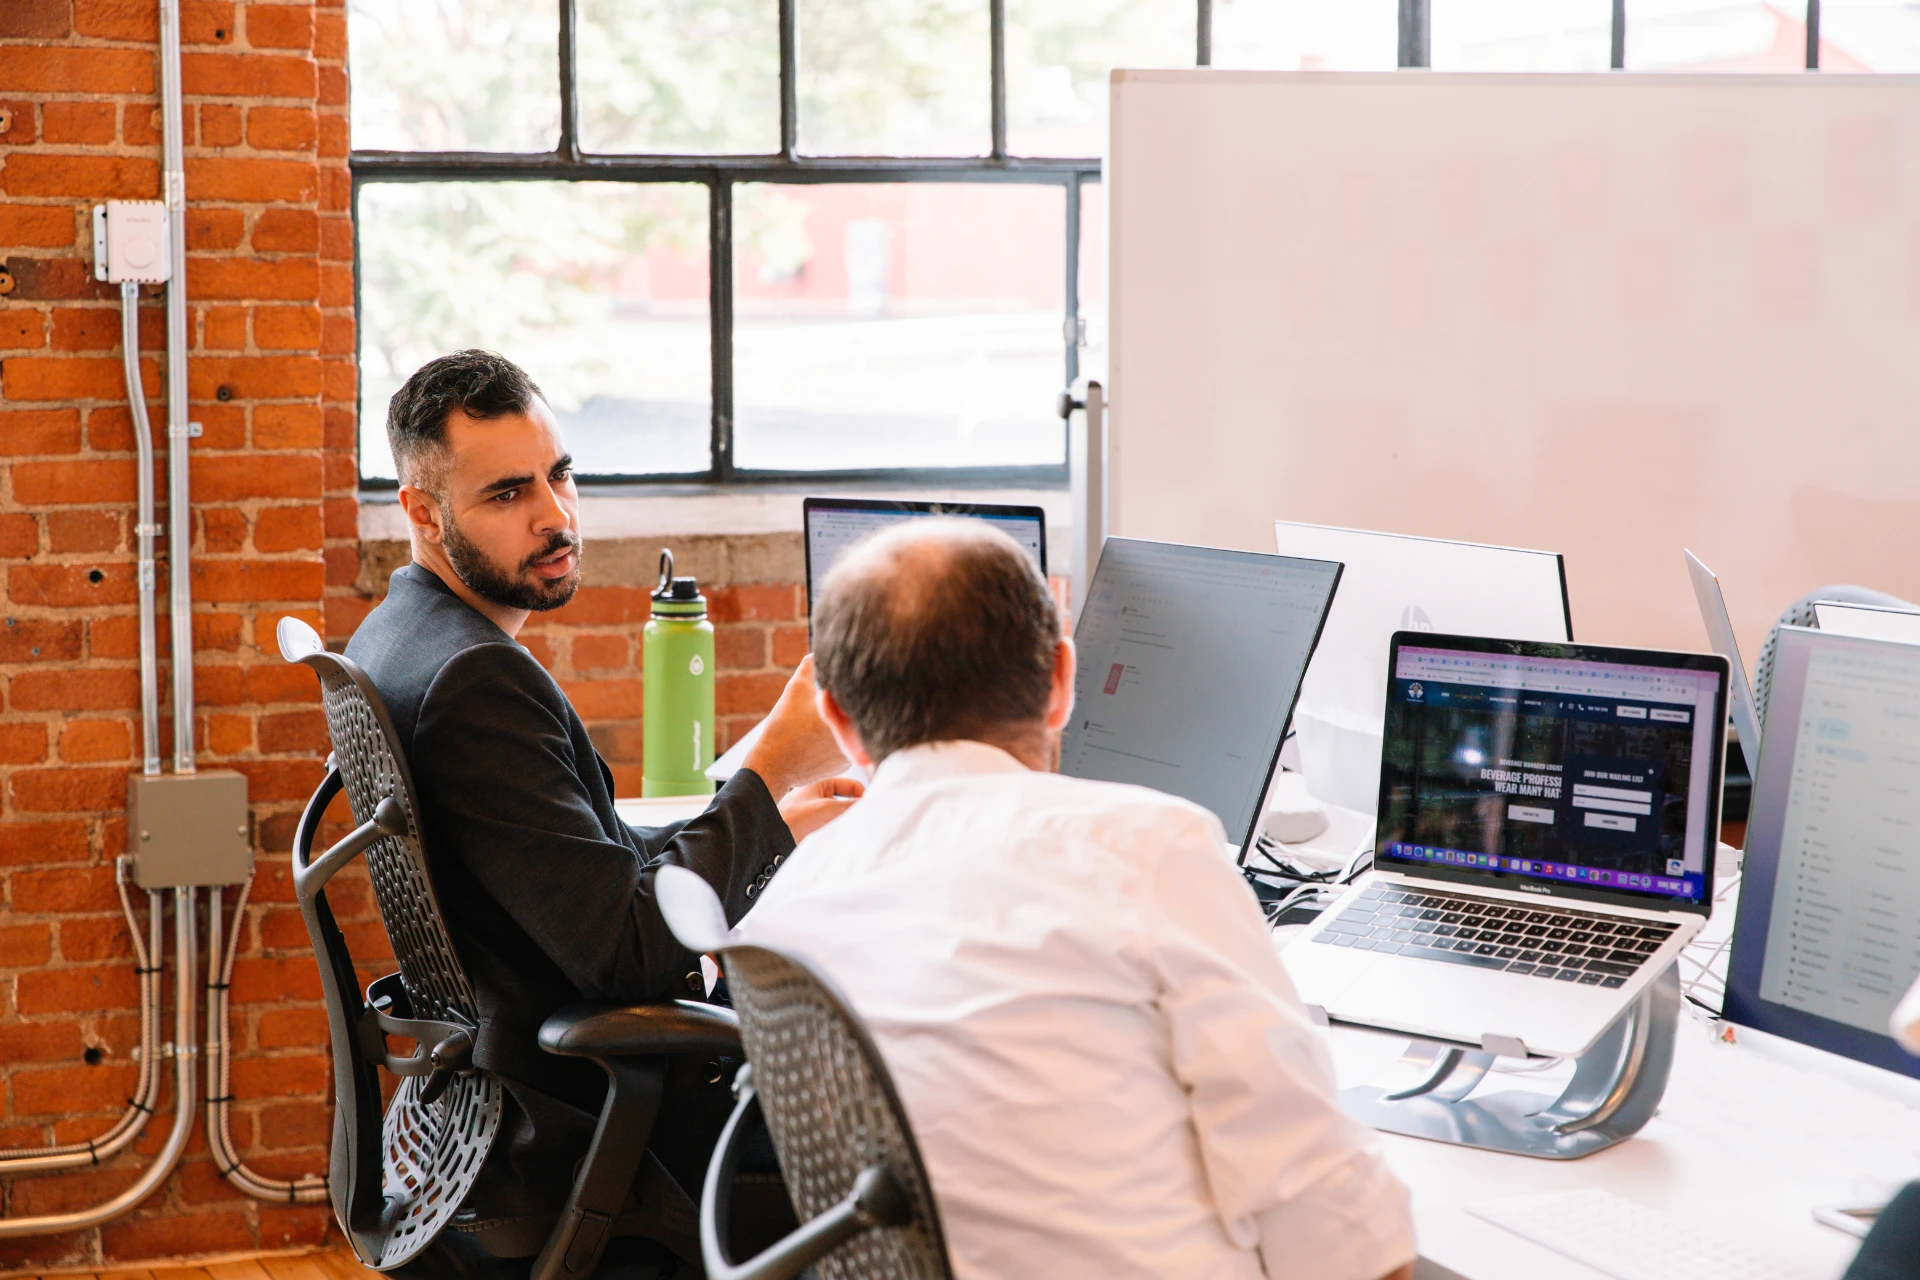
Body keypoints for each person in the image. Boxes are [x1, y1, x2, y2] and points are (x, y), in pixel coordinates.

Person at [736, 518, 1417, 1280]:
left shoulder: (784, 910)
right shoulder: (1149, 850)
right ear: (1063, 680)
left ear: (839, 722)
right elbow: (1329, 1212)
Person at [345, 349, 858, 1260]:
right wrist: (775, 764)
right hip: (592, 1130)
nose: (554, 515)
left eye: (560, 474)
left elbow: (583, 867)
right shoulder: (475, 679)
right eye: (507, 495)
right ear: (422, 513)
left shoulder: (401, 634)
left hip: (497, 1101)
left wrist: (772, 825)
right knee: (921, 1123)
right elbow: (632, 957)